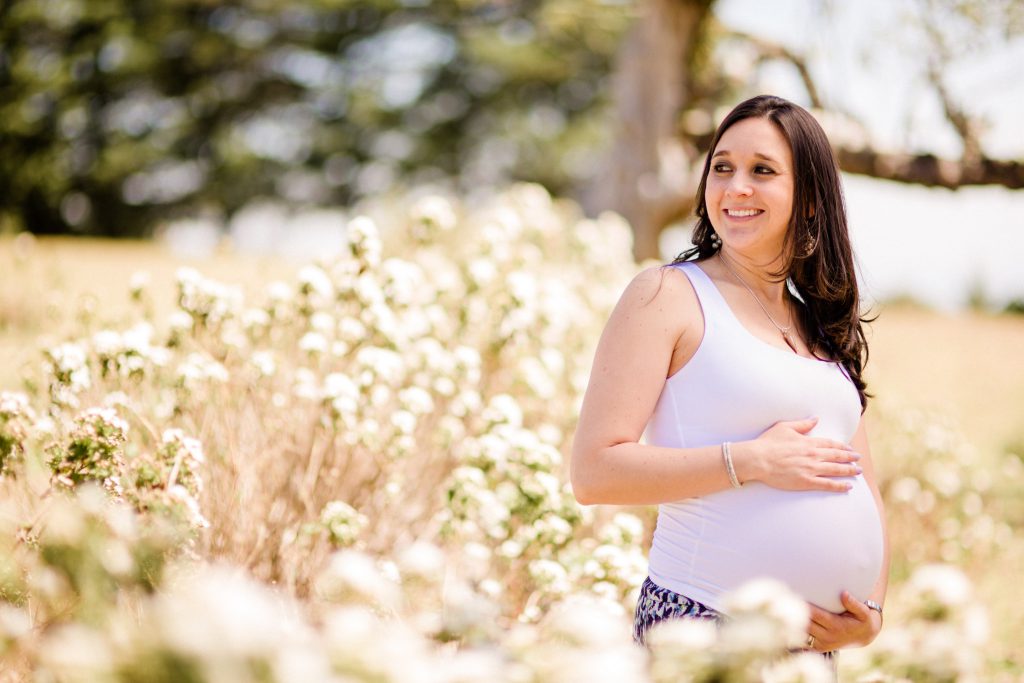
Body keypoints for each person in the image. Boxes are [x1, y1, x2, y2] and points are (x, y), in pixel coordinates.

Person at [570, 94, 890, 665]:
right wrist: (753, 461)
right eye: (722, 168)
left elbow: (860, 481)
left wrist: (871, 616)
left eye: (762, 171)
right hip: (702, 627)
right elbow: (594, 472)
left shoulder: (819, 325)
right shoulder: (667, 295)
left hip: (810, 652)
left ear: (810, 199)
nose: (735, 186)